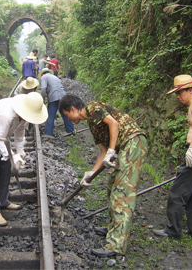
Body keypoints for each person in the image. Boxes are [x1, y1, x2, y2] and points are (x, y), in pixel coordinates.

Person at [59, 94, 148, 257]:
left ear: (72, 109)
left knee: (122, 192)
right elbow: (103, 152)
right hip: (124, 146)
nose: (69, 119)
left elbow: (113, 124)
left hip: (133, 141)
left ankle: (116, 245)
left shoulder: (92, 108)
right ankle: (113, 227)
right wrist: (90, 174)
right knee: (112, 186)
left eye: (67, 115)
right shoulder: (92, 125)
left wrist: (113, 150)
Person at [153, 75, 192, 241]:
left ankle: (173, 230)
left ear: (190, 90)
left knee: (177, 191)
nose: (178, 96)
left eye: (180, 92)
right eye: (176, 93)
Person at [0, 92, 48, 226]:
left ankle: (3, 200)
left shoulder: (24, 115)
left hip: (0, 136)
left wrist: (20, 152)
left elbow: (19, 135)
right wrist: (10, 155)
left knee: (6, 168)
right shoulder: (5, 115)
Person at [39, 68, 74, 138]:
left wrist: (42, 99)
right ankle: (70, 131)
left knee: (51, 115)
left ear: (43, 73)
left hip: (54, 96)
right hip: (63, 96)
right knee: (65, 113)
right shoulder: (55, 77)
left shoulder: (43, 77)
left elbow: (43, 88)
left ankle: (48, 134)